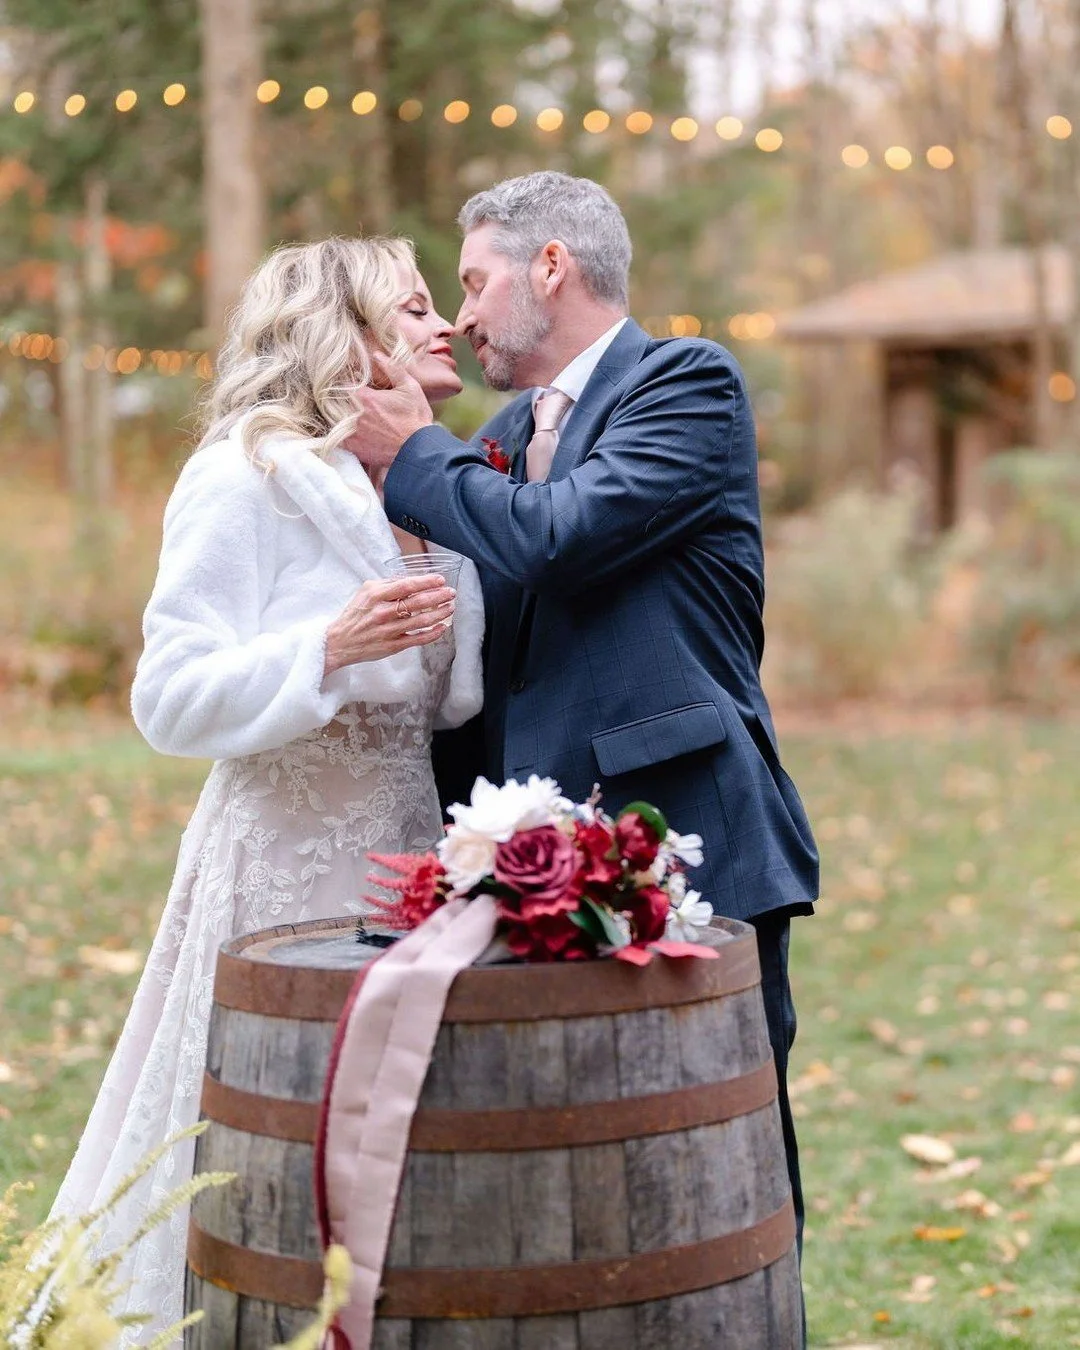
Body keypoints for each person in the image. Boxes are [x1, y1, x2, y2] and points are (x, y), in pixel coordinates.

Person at [349, 171, 820, 1333]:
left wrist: (416, 451)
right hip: (514, 856)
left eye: (472, 282)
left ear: (548, 266)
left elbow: (560, 539)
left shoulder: (686, 384)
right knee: (573, 1167)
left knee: (719, 1153)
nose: (458, 318)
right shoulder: (501, 438)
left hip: (683, 827)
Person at [45, 237, 484, 1341]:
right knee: (257, 1141)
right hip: (279, 863)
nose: (448, 327)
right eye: (416, 307)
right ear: (348, 336)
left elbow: (449, 698)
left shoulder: (438, 481)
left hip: (407, 856)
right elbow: (168, 695)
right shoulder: (247, 471)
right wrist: (321, 653)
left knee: (388, 1143)